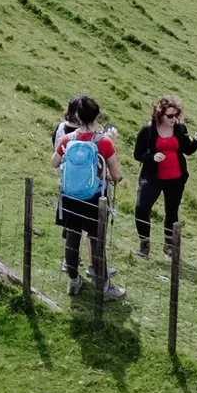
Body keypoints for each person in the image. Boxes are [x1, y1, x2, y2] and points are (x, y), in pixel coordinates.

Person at [54, 96, 124, 300]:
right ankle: (104, 287)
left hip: (70, 196)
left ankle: (73, 281)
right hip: (95, 197)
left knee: (72, 237)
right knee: (96, 240)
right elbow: (117, 175)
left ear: (76, 116)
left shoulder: (68, 139)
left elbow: (54, 162)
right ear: (97, 116)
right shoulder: (104, 142)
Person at [132, 95, 197, 258]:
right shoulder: (148, 130)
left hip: (176, 178)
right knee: (141, 208)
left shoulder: (180, 128)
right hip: (152, 177)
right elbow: (137, 154)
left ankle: (169, 245)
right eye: (170, 115)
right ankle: (144, 244)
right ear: (160, 115)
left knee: (172, 211)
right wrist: (152, 157)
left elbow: (187, 150)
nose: (174, 119)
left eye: (176, 115)